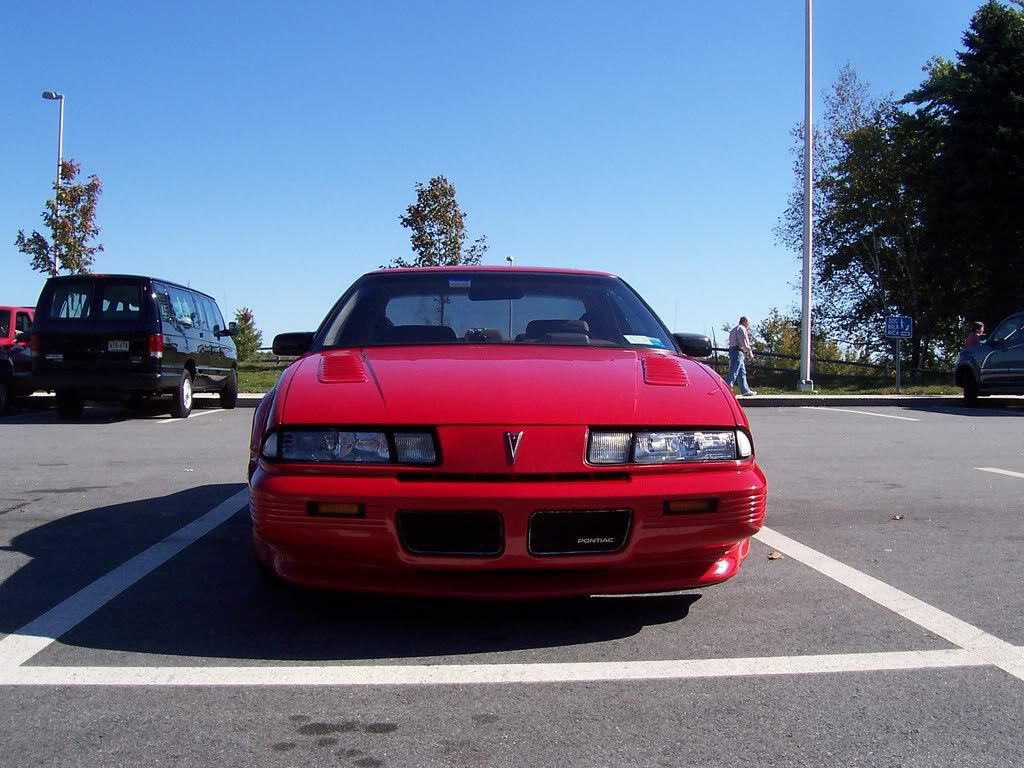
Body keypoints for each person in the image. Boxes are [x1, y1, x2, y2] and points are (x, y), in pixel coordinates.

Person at [726, 316, 756, 396]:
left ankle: (745, 390)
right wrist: (750, 352)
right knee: (734, 371)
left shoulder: (733, 330)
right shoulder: (742, 329)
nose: (748, 325)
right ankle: (727, 388)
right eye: (748, 323)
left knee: (741, 372)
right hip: (738, 351)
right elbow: (744, 342)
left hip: (733, 350)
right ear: (745, 321)